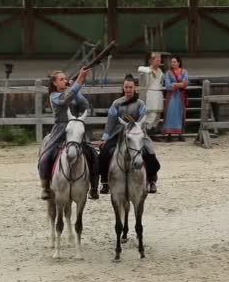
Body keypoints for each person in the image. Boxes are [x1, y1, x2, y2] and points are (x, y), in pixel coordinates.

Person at [37, 67, 99, 200]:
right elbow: (65, 98)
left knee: (93, 154)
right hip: (61, 130)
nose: (65, 80)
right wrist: (79, 80)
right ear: (54, 83)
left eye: (65, 78)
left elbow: (84, 104)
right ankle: (45, 187)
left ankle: (94, 186)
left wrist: (75, 87)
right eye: (61, 79)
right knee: (45, 157)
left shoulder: (71, 93)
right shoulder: (54, 96)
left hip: (75, 130)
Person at [98, 74, 161, 195]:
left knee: (149, 152)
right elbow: (110, 122)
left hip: (136, 133)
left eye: (130, 87)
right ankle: (105, 181)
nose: (128, 90)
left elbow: (143, 120)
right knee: (104, 152)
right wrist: (104, 138)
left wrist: (136, 129)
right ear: (123, 88)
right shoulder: (116, 103)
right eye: (126, 87)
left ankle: (152, 179)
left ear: (134, 88)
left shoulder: (140, 104)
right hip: (118, 133)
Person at [138, 52, 165, 138]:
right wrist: (150, 70)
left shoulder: (160, 71)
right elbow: (139, 69)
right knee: (151, 114)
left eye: (160, 60)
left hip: (159, 93)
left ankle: (153, 133)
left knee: (157, 115)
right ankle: (146, 131)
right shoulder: (146, 70)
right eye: (157, 60)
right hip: (151, 93)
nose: (159, 61)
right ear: (152, 60)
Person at [162, 55, 189, 142]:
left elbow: (185, 82)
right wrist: (179, 84)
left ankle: (180, 134)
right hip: (171, 96)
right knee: (170, 113)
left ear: (178, 63)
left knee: (180, 113)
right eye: (172, 62)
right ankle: (169, 134)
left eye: (174, 62)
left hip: (180, 96)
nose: (172, 63)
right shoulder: (168, 73)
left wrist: (175, 84)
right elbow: (167, 85)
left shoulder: (184, 72)